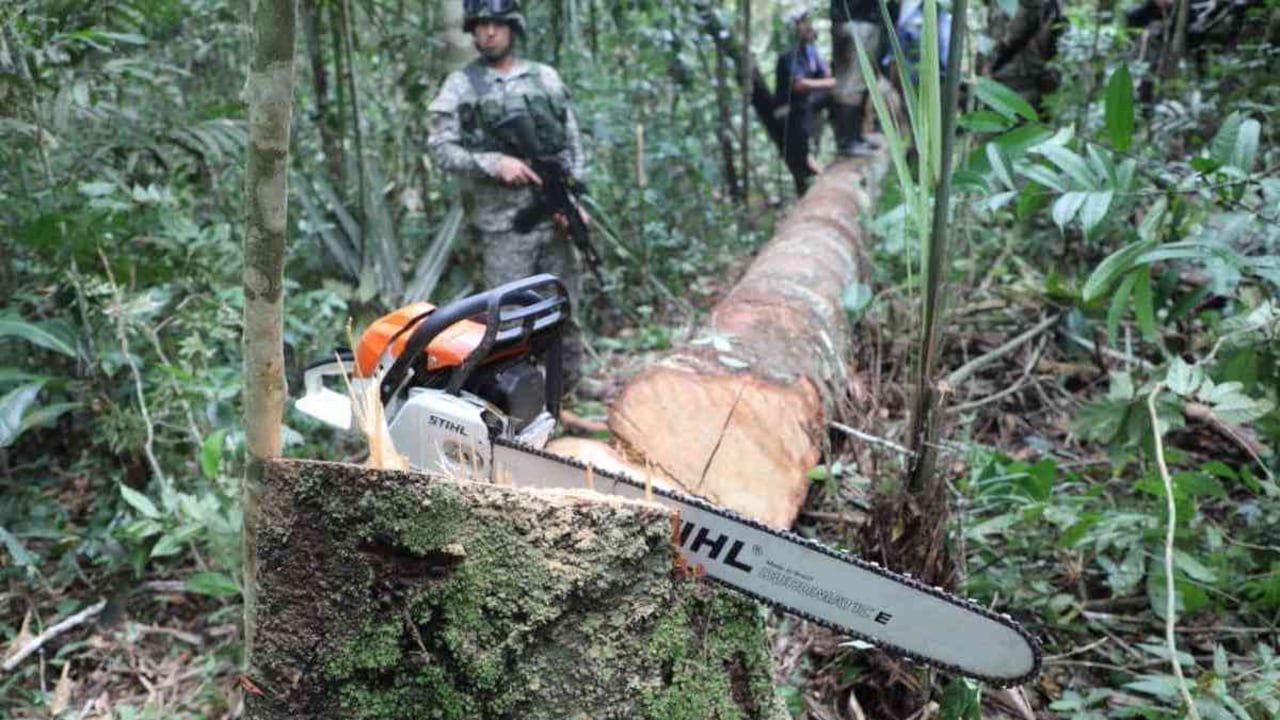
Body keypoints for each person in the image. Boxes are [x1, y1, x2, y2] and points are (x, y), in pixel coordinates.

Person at [427, 0, 588, 392]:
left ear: (511, 27)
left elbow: (572, 143)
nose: (488, 33)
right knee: (508, 316)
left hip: (552, 214)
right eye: (480, 26)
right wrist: (493, 162)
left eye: (496, 24)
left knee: (564, 302)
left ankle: (570, 384)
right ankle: (518, 394)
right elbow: (440, 147)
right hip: (503, 226)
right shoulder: (461, 86)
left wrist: (573, 201)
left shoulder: (545, 78)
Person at [774, 8, 835, 194]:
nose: (807, 26)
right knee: (800, 144)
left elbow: (825, 74)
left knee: (838, 98)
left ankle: (843, 142)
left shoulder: (811, 52)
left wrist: (832, 81)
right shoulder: (789, 56)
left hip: (807, 106)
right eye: (802, 23)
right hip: (790, 110)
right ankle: (810, 171)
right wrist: (832, 83)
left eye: (808, 21)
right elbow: (798, 85)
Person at [828, 0, 884, 156]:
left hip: (859, 22)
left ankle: (856, 137)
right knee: (851, 85)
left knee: (860, 84)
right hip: (855, 23)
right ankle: (848, 141)